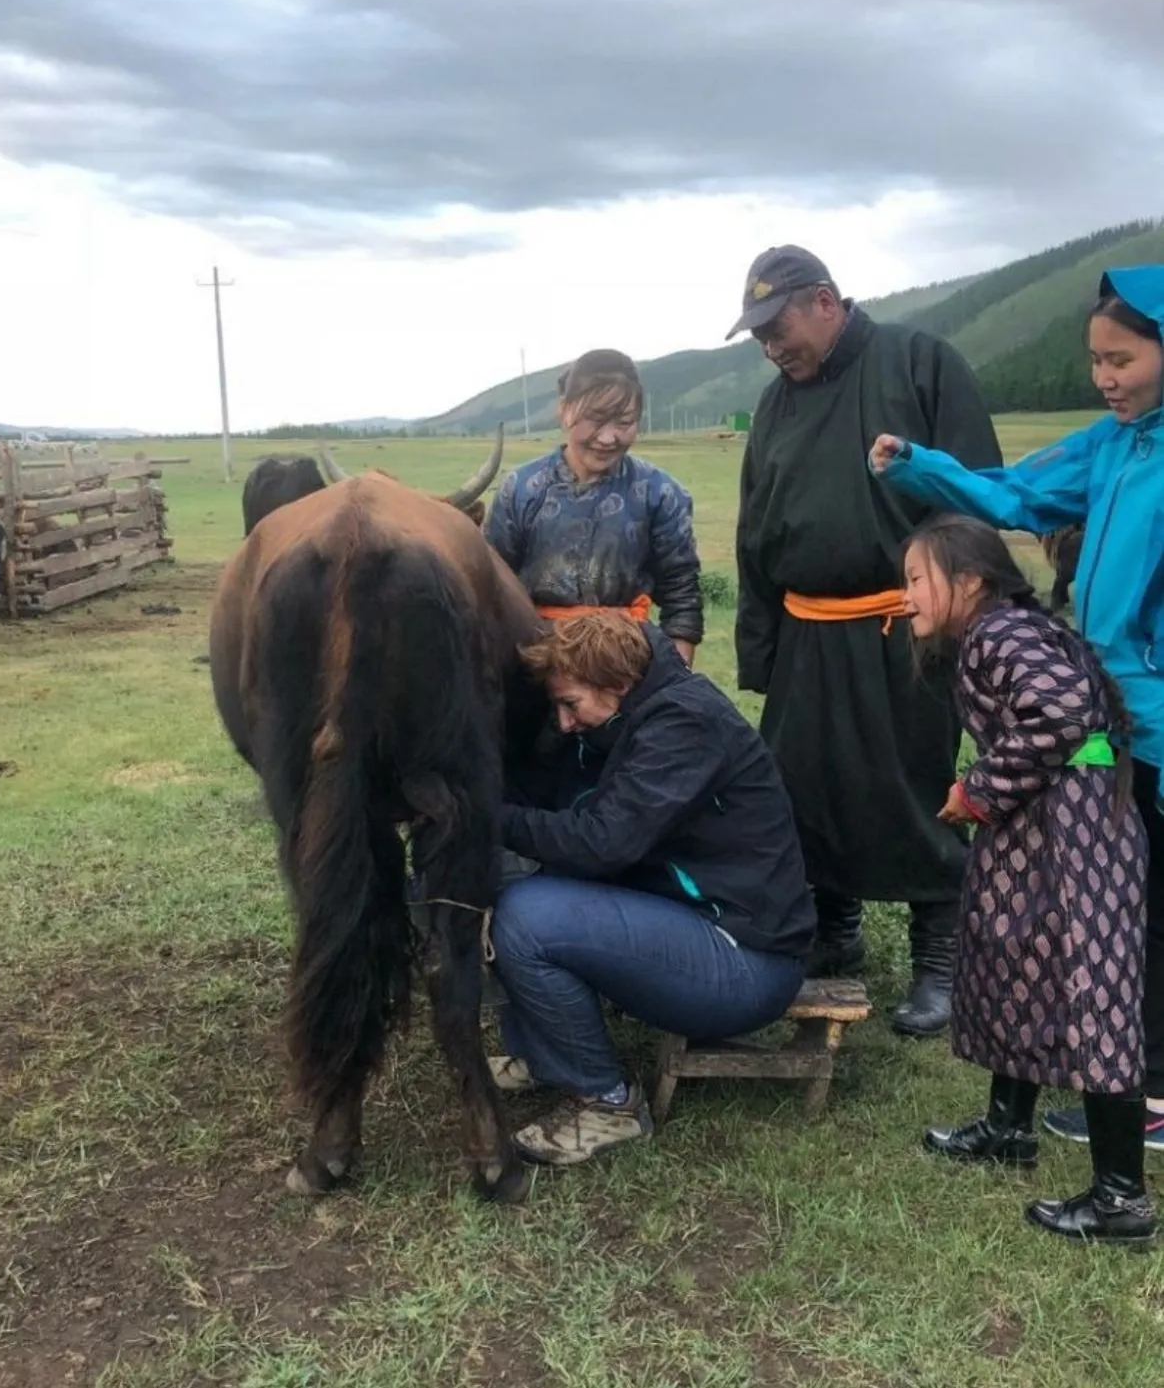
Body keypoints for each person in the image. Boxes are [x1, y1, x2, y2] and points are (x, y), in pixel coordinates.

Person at [869, 264, 1164, 1153]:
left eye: (1123, 359)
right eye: (1095, 361)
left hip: (1141, 710)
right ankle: (1138, 1086)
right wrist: (921, 465)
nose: (1105, 378)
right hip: (1111, 716)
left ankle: (1145, 1097)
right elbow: (1020, 494)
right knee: (1128, 910)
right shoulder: (1113, 443)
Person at [728, 244, 1003, 1035]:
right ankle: (833, 931)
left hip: (905, 626)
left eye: (776, 327)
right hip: (807, 628)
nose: (770, 346)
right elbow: (755, 531)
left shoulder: (919, 363)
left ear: (824, 300)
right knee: (801, 788)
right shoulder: (777, 403)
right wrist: (762, 650)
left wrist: (962, 619)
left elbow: (973, 491)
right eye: (758, 337)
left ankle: (943, 964)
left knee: (911, 785)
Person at [896, 515, 1153, 1243]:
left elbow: (1065, 714)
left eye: (917, 579)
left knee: (1090, 990)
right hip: (1039, 829)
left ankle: (1121, 1198)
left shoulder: (1000, 632)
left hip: (1075, 837)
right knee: (1020, 964)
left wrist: (979, 788)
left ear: (970, 582)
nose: (906, 594)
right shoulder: (993, 633)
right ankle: (1010, 1126)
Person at [488, 612, 815, 1166]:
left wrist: (485, 816)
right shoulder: (637, 712)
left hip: (746, 962)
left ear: (616, 686)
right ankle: (543, 1055)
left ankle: (608, 1104)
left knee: (526, 916)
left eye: (571, 705)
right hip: (699, 924)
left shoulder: (684, 726)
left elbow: (603, 843)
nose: (564, 723)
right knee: (520, 889)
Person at [484, 348, 703, 664]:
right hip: (533, 662)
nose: (608, 437)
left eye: (625, 422)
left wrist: (673, 686)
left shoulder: (661, 494)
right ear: (564, 411)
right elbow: (492, 589)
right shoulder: (520, 490)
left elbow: (683, 600)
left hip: (625, 668)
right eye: (595, 419)